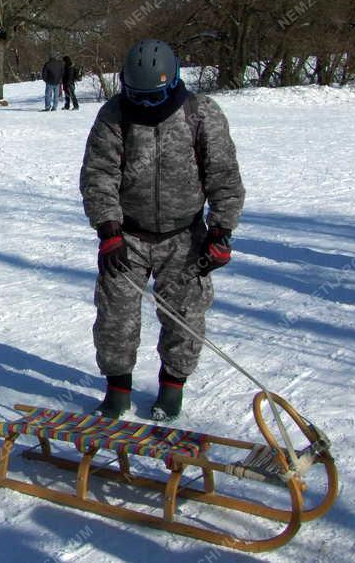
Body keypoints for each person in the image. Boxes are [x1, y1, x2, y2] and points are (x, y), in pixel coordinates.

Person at [79, 39, 245, 422]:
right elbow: (99, 175)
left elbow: (224, 178)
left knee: (185, 317)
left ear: (172, 85)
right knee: (115, 316)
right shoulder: (114, 115)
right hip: (128, 236)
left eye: (154, 98)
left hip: (184, 236)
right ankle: (117, 390)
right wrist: (109, 230)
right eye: (139, 97)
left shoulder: (201, 114)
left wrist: (221, 233)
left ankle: (171, 389)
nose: (147, 106)